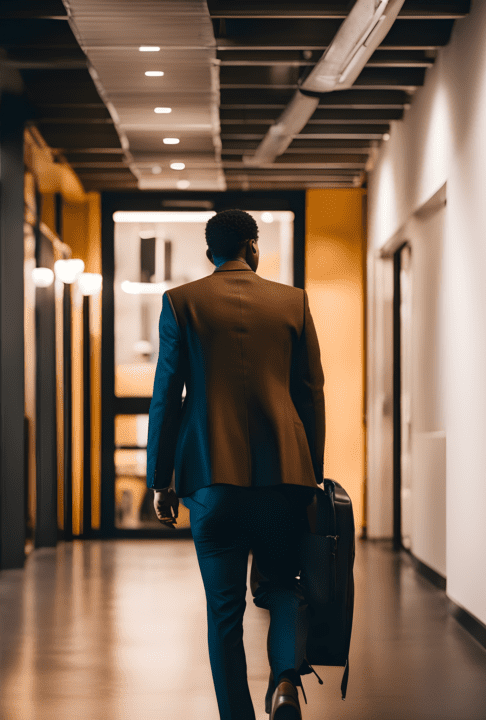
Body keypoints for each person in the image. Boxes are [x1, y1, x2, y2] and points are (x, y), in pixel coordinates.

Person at [146, 209, 325, 720]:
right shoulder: (293, 302)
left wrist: (162, 480)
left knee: (224, 612)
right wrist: (309, 472)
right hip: (284, 478)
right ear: (252, 247)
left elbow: (166, 395)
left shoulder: (182, 303)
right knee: (283, 586)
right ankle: (286, 682)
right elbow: (311, 392)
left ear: (210, 254)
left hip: (210, 480)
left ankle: (236, 716)